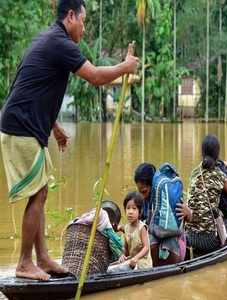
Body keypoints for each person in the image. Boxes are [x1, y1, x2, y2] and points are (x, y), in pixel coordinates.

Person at [0, 0, 139, 280]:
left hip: (29, 127)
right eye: (84, 21)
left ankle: (42, 258)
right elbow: (96, 77)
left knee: (42, 192)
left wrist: (56, 128)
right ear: (71, 15)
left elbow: (32, 88)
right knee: (37, 193)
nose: (84, 29)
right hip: (21, 128)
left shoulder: (49, 40)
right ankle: (25, 262)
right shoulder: (60, 43)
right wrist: (125, 67)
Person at [185, 135, 227, 254]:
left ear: (202, 152)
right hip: (209, 241)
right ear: (217, 153)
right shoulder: (218, 174)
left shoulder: (195, 173)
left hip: (189, 236)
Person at [134, 163, 186, 266]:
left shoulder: (168, 199)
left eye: (144, 191)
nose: (142, 196)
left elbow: (188, 219)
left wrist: (188, 213)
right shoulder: (143, 202)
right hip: (156, 247)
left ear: (153, 186)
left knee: (153, 243)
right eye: (139, 192)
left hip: (175, 247)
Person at [108, 192, 152, 273]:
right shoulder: (127, 227)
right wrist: (122, 255)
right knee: (110, 268)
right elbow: (125, 248)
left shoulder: (142, 228)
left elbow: (146, 247)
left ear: (140, 211)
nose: (130, 212)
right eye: (128, 208)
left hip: (142, 263)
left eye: (134, 208)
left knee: (115, 270)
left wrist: (136, 258)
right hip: (131, 261)